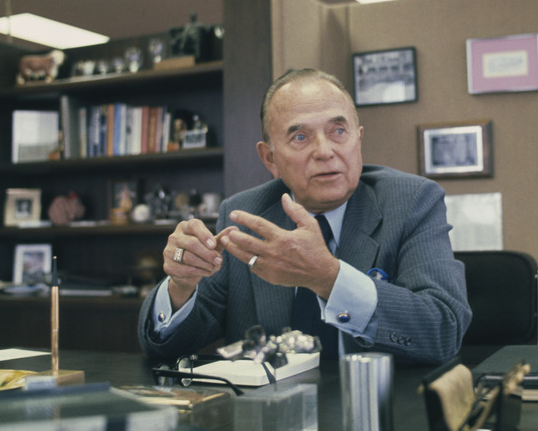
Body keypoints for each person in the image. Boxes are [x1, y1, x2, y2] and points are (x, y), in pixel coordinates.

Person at [138, 68, 471, 365]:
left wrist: (328, 277)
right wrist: (181, 286)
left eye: (338, 131)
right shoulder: (245, 216)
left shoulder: (412, 202)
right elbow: (168, 349)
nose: (325, 151)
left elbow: (443, 330)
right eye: (300, 137)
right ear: (270, 158)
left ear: (359, 138)